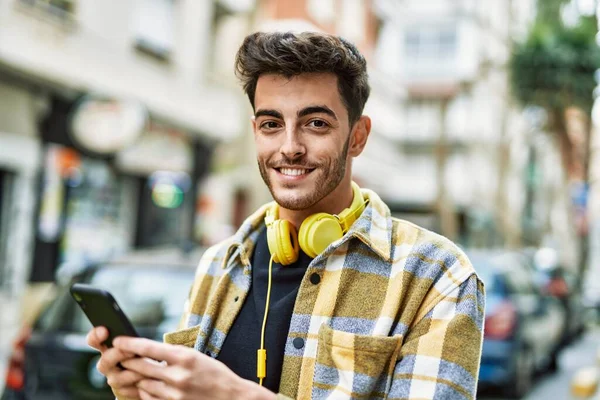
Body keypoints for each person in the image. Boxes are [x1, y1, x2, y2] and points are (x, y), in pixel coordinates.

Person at [87, 31, 485, 400]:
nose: (290, 147)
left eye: (316, 123)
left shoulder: (438, 276)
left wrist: (235, 396)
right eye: (272, 124)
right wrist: (138, 391)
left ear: (358, 136)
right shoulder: (218, 263)